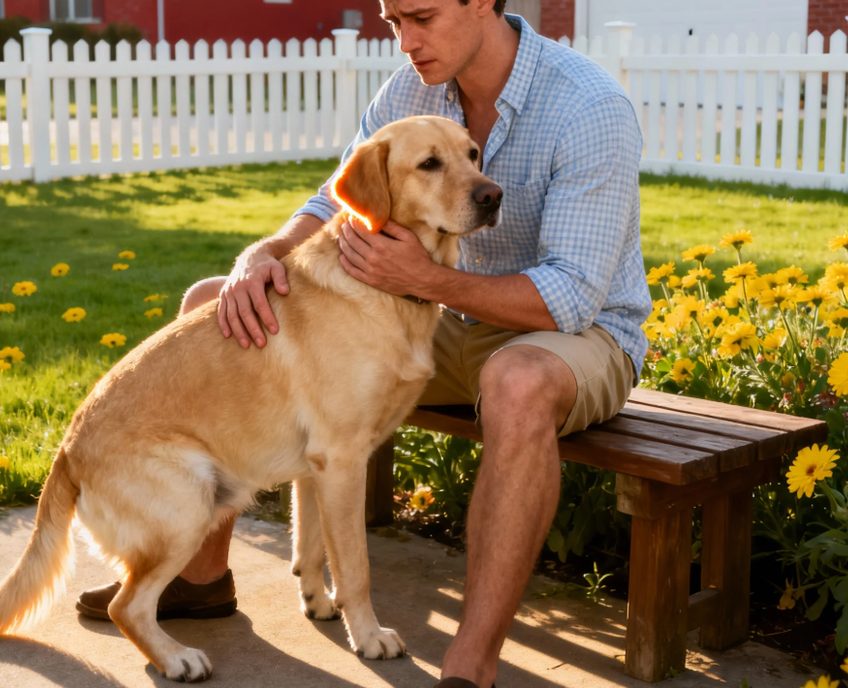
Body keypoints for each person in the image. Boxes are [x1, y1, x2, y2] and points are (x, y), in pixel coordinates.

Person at [77, 0, 651, 685]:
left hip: (568, 335)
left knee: (515, 382)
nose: (406, 40)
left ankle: (472, 657)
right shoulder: (413, 86)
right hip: (433, 315)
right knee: (218, 303)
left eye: (422, 16)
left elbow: (570, 296)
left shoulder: (588, 106)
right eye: (392, 21)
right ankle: (197, 576)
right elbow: (334, 198)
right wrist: (265, 253)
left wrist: (428, 278)